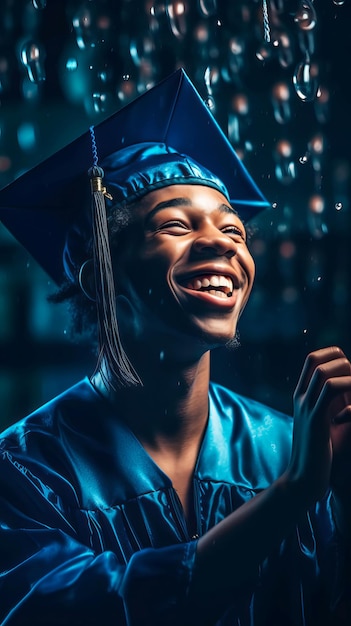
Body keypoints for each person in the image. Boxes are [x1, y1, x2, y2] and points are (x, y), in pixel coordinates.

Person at [0, 68, 350, 626]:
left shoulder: (289, 444)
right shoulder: (25, 471)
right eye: (174, 226)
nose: (219, 242)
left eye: (233, 231)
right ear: (100, 279)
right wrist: (290, 496)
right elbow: (94, 609)